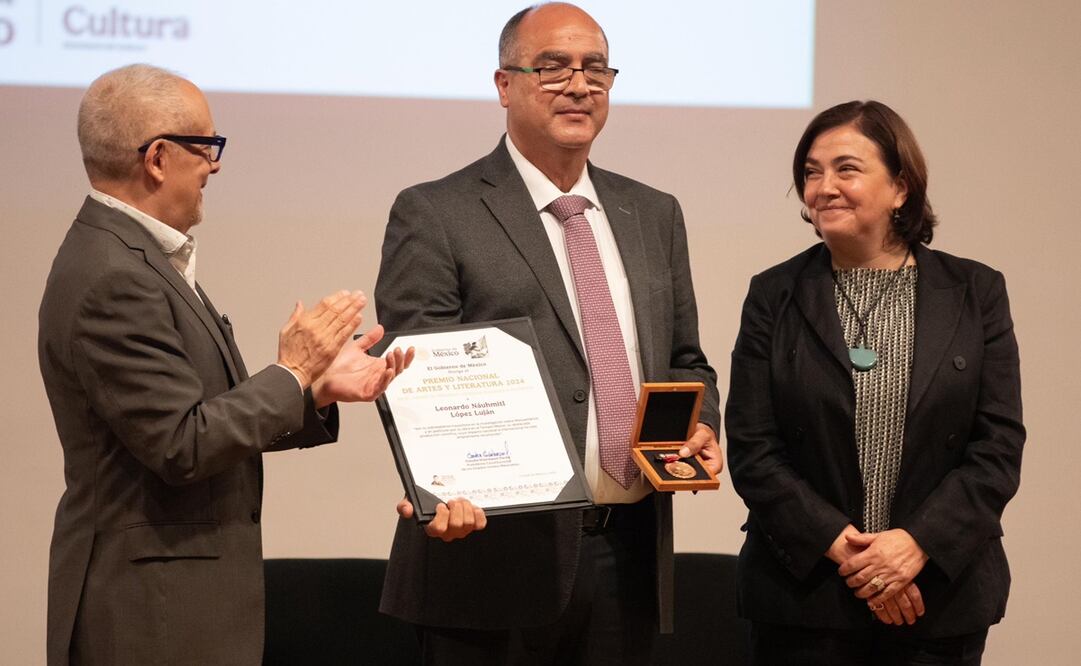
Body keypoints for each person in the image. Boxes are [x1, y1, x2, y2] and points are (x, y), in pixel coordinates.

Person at [374, 3, 721, 664]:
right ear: (504, 85)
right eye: (553, 67)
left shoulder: (651, 212)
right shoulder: (437, 211)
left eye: (595, 69)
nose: (578, 84)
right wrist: (437, 483)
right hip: (487, 565)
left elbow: (685, 361)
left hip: (628, 554)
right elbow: (417, 375)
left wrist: (698, 425)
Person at [38, 64, 411, 666]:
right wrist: (292, 372)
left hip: (172, 602)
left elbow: (194, 415)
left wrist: (310, 390)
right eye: (206, 146)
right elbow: (182, 445)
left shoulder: (135, 257)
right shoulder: (114, 275)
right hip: (151, 614)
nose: (216, 164)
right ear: (158, 158)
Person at [725, 100, 1025, 665]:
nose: (823, 187)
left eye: (847, 169)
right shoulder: (774, 295)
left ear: (901, 188)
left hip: (937, 596)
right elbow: (753, 448)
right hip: (805, 599)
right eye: (811, 172)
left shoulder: (975, 292)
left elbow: (998, 447)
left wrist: (915, 547)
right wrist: (856, 558)